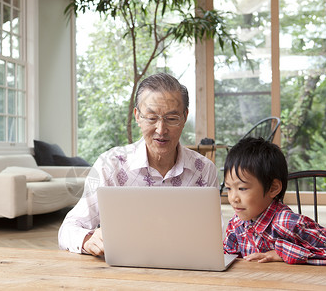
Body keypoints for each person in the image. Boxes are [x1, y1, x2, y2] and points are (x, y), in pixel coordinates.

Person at [58, 73, 218, 255]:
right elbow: (68, 229)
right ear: (137, 116)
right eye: (151, 118)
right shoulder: (110, 165)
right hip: (124, 271)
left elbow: (213, 235)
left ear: (184, 117)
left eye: (171, 118)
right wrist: (88, 239)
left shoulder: (204, 169)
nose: (161, 129)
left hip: (187, 267)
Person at [223, 137, 326, 266]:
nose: (233, 198)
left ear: (273, 188)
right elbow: (228, 258)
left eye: (242, 188)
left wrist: (282, 252)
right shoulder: (236, 224)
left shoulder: (287, 223)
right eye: (228, 188)